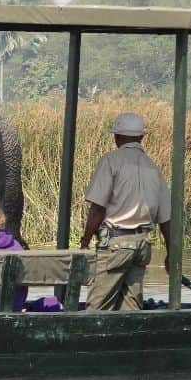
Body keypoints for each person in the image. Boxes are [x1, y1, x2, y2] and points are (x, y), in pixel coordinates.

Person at [79, 112, 172, 311]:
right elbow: (166, 219)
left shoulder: (111, 161)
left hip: (116, 244)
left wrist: (86, 239)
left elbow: (97, 208)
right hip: (142, 245)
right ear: (141, 138)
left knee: (98, 307)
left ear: (117, 137)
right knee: (131, 306)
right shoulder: (153, 168)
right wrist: (171, 253)